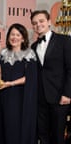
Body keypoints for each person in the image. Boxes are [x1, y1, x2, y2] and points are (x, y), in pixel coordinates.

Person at [30, 10, 71, 144]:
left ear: (49, 22)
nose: (38, 25)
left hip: (59, 98)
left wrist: (67, 94)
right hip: (40, 99)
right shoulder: (34, 46)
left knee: (58, 136)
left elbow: (70, 69)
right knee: (42, 134)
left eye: (41, 21)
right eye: (34, 23)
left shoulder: (64, 40)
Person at [0, 23, 38, 144]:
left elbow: (30, 78)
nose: (14, 37)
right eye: (12, 34)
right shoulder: (3, 53)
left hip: (21, 96)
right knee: (6, 124)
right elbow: (0, 71)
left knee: (18, 125)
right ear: (8, 37)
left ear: (23, 38)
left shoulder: (29, 54)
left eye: (18, 35)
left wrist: (11, 83)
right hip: (4, 95)